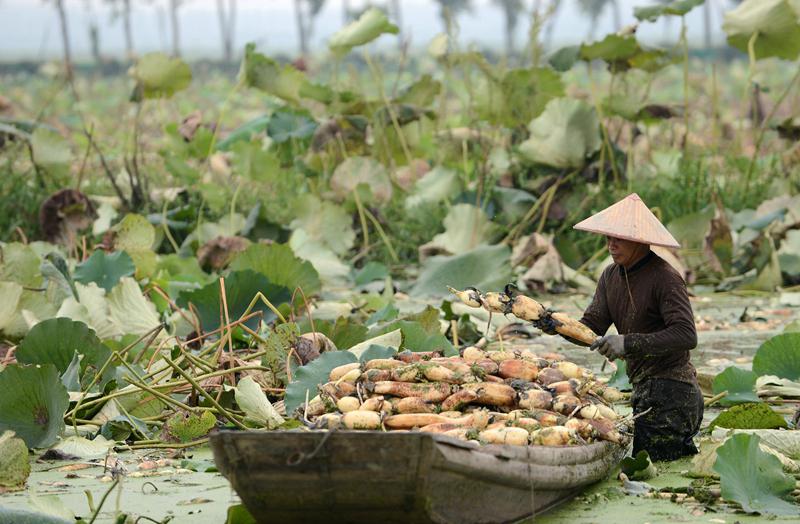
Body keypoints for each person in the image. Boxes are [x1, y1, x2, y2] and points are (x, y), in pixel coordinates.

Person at [536, 193, 703, 461]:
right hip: (642, 391)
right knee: (649, 464)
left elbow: (686, 335)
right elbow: (590, 328)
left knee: (656, 473)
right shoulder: (610, 276)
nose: (611, 245)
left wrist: (626, 342)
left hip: (674, 393)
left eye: (619, 238)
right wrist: (555, 325)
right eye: (608, 238)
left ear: (639, 240)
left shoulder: (665, 278)